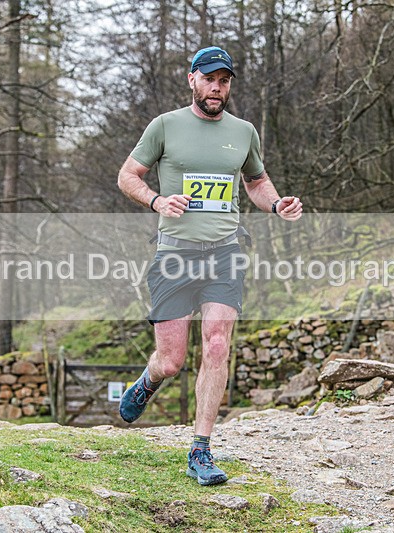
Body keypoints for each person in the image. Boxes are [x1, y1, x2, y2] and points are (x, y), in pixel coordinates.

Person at [116, 45, 302, 486]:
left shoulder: (243, 132)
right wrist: (159, 199)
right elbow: (128, 176)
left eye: (224, 81)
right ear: (192, 79)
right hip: (175, 254)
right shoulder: (165, 126)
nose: (216, 88)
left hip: (225, 252)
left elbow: (255, 181)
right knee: (172, 360)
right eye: (209, 79)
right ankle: (148, 379)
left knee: (217, 344)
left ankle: (200, 449)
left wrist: (276, 204)